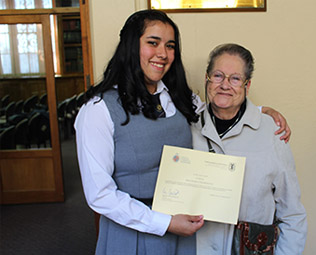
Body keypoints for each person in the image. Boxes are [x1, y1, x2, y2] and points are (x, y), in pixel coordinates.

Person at [74, 10, 291, 255]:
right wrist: (164, 222)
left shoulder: (179, 98)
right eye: (152, 43)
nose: (162, 54)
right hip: (132, 233)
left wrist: (260, 112)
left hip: (183, 235)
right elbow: (99, 195)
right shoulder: (97, 110)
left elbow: (219, 111)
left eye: (170, 46)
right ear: (130, 46)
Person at [191, 44, 307, 255]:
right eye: (218, 75)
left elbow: (292, 214)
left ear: (247, 85)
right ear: (207, 79)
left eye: (235, 79)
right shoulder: (188, 128)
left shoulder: (271, 132)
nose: (225, 85)